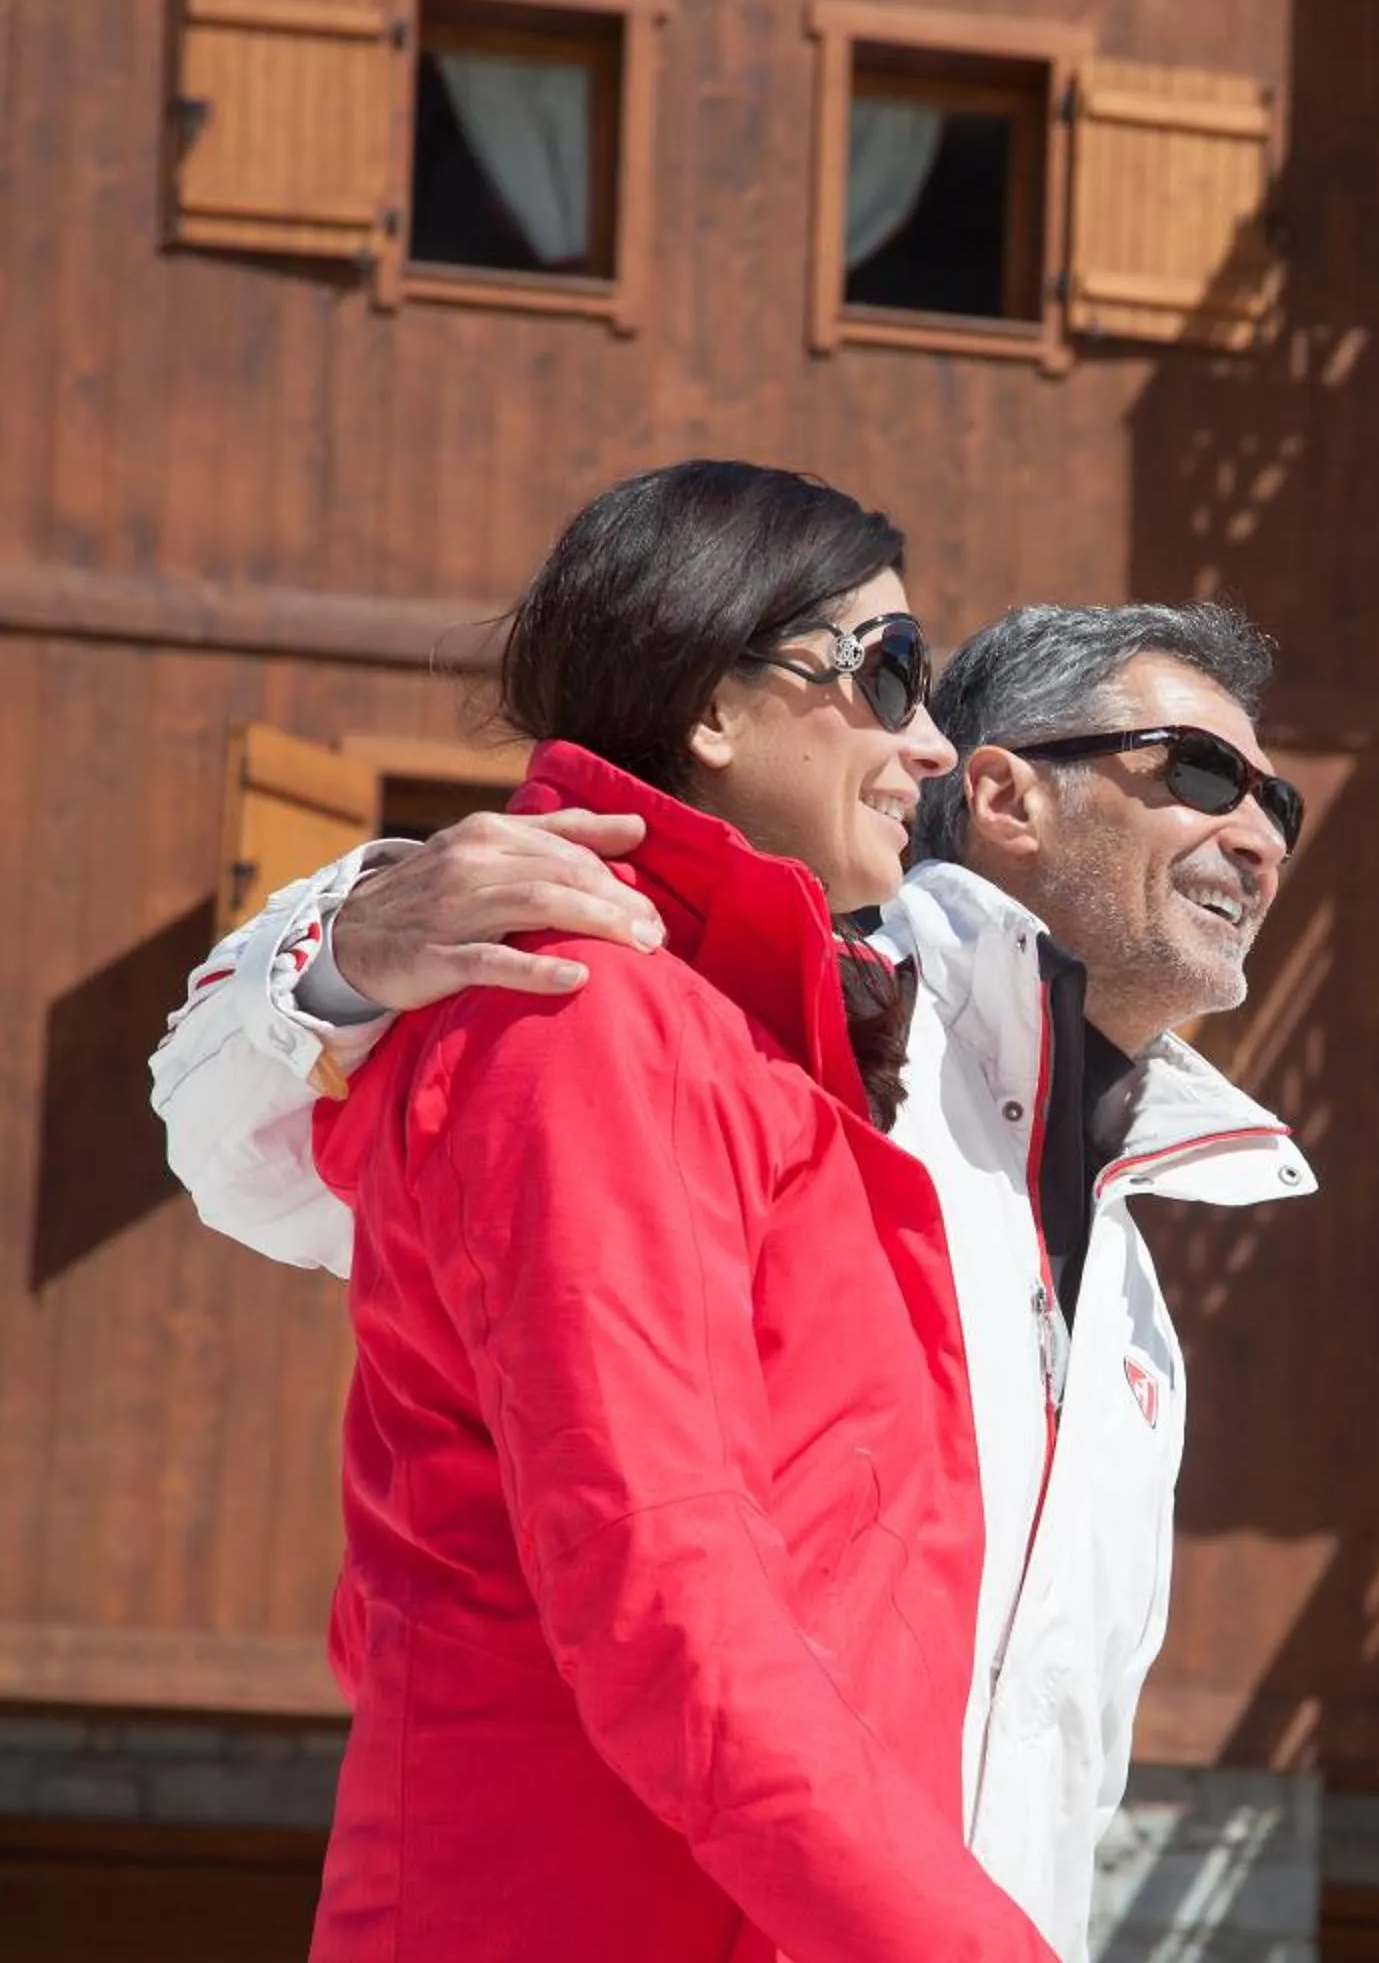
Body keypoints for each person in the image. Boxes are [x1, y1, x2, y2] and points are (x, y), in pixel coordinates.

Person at [153, 597, 1316, 1958]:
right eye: (1202, 776)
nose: (1257, 833)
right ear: (1003, 795)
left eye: (1281, 805)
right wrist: (346, 946)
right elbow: (262, 1170)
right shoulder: (784, 1040)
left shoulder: (1137, 1312)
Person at [249, 459, 1058, 1961]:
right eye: (889, 673)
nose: (933, 744)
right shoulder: (584, 1016)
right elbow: (664, 1583)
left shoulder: (732, 1040)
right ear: (713, 705)